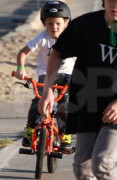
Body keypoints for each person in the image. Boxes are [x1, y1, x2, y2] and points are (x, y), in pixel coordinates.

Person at [38, 0, 117, 179]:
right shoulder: (85, 25)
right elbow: (57, 53)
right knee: (82, 169)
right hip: (87, 103)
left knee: (103, 163)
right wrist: (48, 91)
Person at [15, 1, 75, 151]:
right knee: (38, 99)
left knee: (66, 102)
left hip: (67, 74)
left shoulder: (71, 37)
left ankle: (65, 133)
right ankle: (30, 130)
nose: (54, 27)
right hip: (46, 74)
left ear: (66, 22)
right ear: (44, 24)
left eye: (57, 23)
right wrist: (20, 68)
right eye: (50, 24)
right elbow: (22, 52)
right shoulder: (42, 37)